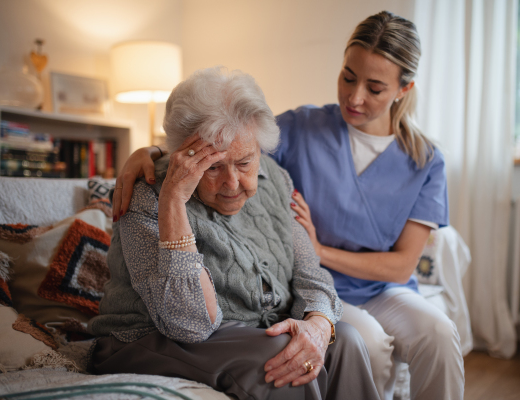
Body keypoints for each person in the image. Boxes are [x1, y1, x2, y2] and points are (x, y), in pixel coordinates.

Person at [111, 12, 464, 400]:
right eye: (348, 77)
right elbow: (226, 130)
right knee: (361, 342)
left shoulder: (424, 159)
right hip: (243, 313)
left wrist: (318, 292)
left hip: (379, 287)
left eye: (375, 87)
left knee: (438, 332)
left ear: (403, 88)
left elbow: (398, 265)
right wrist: (153, 151)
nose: (355, 96)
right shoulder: (304, 126)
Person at [88, 67, 380, 400]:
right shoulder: (148, 193)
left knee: (346, 341)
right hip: (148, 338)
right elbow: (189, 323)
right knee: (283, 361)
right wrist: (174, 200)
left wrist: (318, 323)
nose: (232, 183)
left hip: (250, 332)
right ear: (181, 154)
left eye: (244, 163)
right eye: (212, 166)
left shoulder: (276, 179)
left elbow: (310, 273)